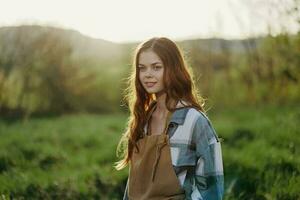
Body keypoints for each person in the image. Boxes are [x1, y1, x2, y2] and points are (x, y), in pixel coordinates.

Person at [114, 37, 224, 200]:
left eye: (156, 67)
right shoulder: (141, 120)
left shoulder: (194, 121)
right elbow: (133, 186)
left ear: (173, 69)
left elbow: (211, 189)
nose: (148, 75)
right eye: (142, 68)